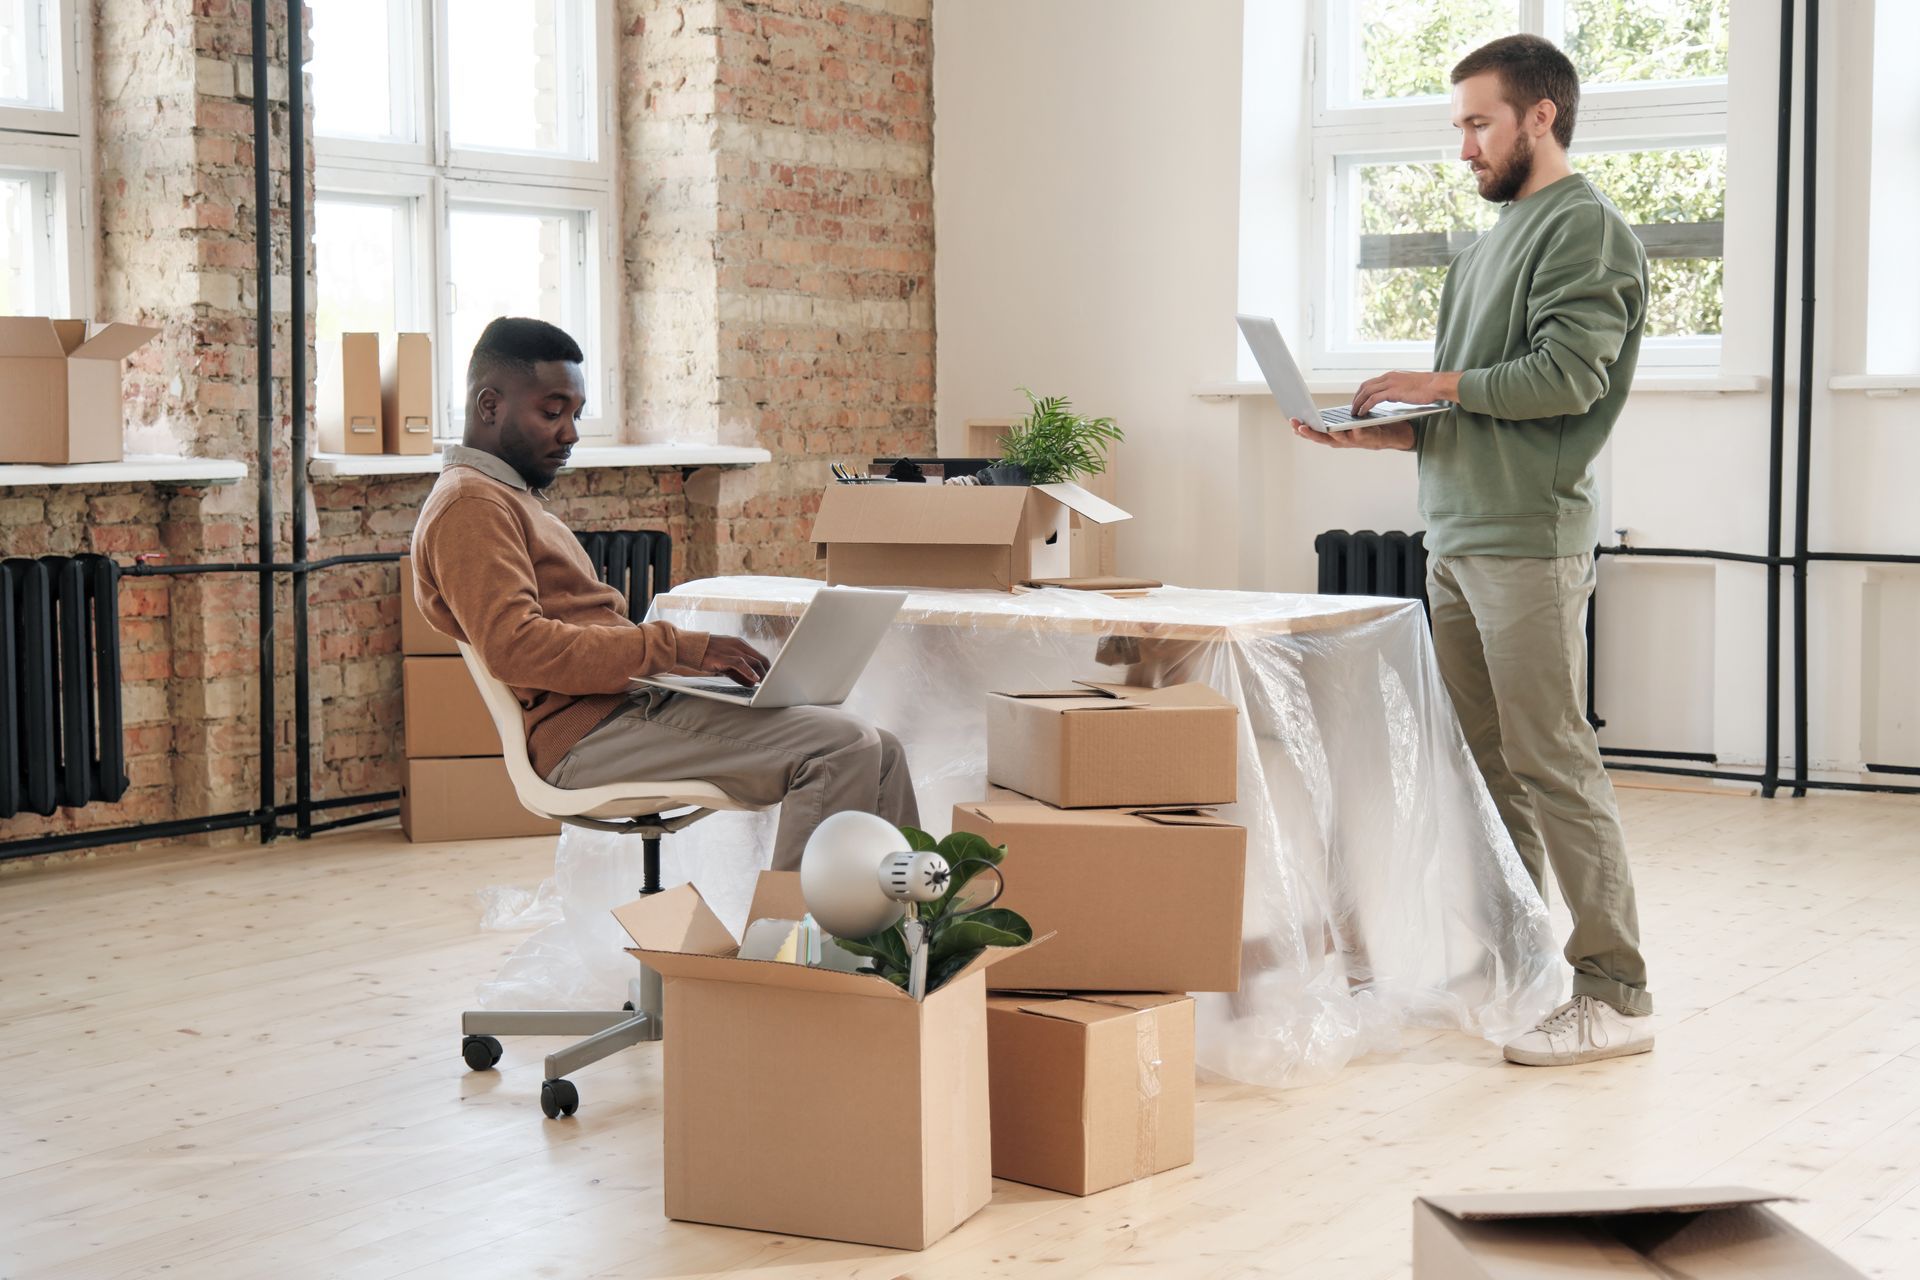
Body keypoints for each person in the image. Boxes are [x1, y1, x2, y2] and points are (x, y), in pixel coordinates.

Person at [1293, 34, 1652, 1067]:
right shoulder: (1485, 247)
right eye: (1459, 126)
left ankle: (1618, 991)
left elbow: (1563, 380)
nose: (1464, 147)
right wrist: (1374, 429)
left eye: (1478, 122)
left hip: (1526, 542)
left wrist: (1433, 383)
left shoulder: (1585, 230)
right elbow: (1469, 416)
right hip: (1452, 535)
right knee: (1488, 766)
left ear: (1540, 116)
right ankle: (1515, 961)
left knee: (1553, 760)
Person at [411, 316, 918, 870]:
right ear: (490, 406)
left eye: (576, 415)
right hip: (590, 733)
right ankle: (793, 945)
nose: (571, 433)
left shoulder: (507, 497)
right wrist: (682, 650)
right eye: (552, 412)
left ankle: (903, 938)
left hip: (629, 706)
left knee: (881, 749)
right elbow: (518, 648)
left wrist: (683, 668)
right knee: (841, 748)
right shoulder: (471, 506)